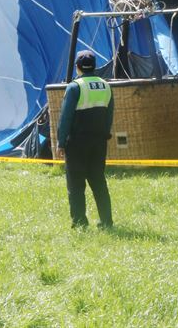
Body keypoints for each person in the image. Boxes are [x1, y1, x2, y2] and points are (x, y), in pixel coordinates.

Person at [57, 49, 114, 229]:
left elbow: (65, 117)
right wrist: (105, 134)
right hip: (99, 142)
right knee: (98, 181)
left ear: (77, 67)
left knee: (76, 184)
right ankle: (106, 221)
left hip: (77, 142)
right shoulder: (106, 85)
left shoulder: (75, 87)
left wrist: (60, 141)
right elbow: (109, 114)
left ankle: (80, 222)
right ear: (94, 66)